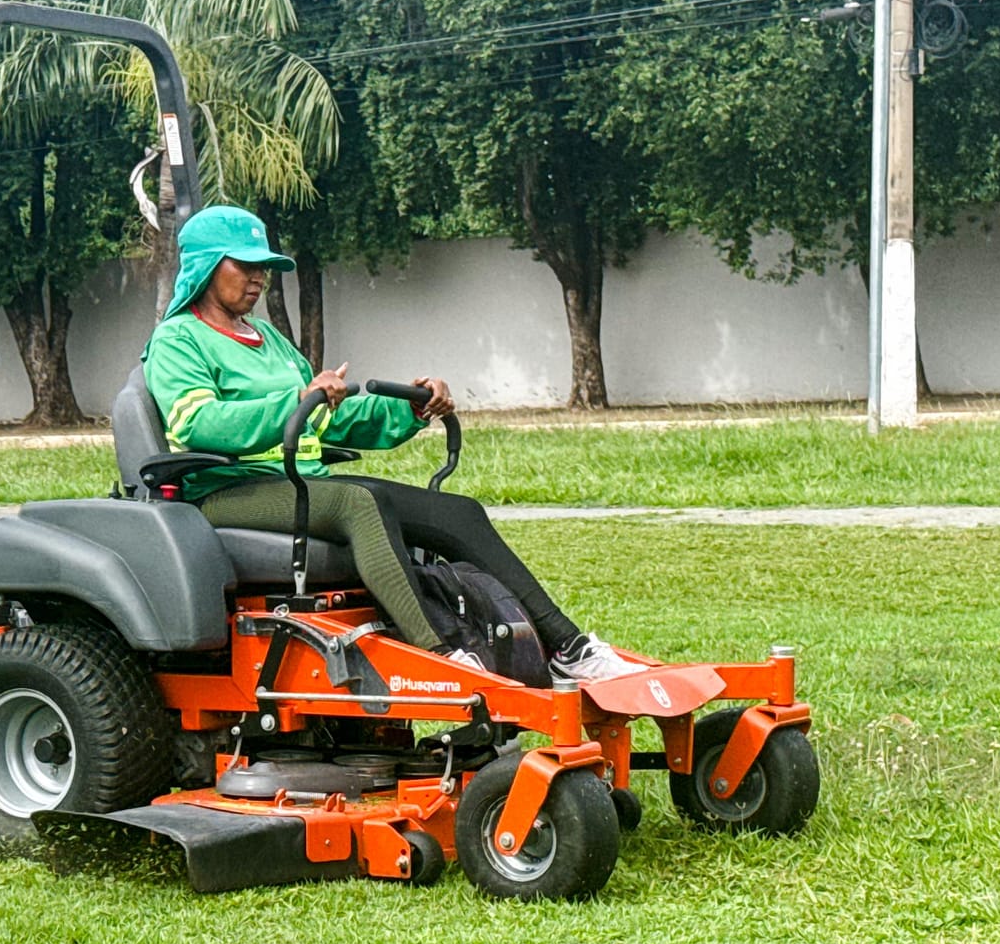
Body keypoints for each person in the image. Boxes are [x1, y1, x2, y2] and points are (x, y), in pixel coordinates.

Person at [141, 204, 637, 681]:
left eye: (265, 268)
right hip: (224, 492)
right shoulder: (177, 339)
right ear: (206, 266)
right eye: (245, 266)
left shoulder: (268, 339)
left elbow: (328, 417)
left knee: (457, 512)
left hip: (297, 486)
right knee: (361, 502)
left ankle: (568, 647)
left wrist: (412, 406)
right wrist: (297, 400)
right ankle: (442, 657)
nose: (258, 278)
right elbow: (197, 422)